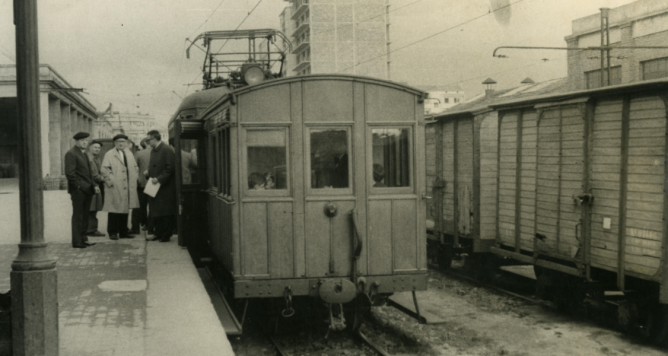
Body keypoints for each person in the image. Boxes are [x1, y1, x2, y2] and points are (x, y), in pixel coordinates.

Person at [101, 134, 140, 240]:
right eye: (118, 142)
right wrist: (112, 181)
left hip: (127, 186)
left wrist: (134, 178)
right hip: (115, 186)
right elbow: (104, 170)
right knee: (114, 209)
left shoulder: (129, 153)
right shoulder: (109, 154)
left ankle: (123, 232)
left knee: (125, 209)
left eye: (123, 141)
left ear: (126, 143)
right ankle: (112, 232)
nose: (121, 143)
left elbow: (135, 167)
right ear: (115, 143)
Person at [64, 132, 98, 248]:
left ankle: (84, 239)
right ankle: (77, 241)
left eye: (86, 140)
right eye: (82, 140)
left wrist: (93, 185)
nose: (85, 142)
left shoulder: (84, 154)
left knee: (85, 215)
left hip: (87, 190)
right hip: (79, 191)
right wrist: (78, 186)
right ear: (76, 142)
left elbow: (89, 173)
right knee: (78, 216)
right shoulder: (71, 153)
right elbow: (70, 174)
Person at [145, 130, 176, 242]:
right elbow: (155, 166)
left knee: (165, 212)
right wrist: (148, 172)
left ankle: (165, 235)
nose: (147, 142)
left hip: (164, 187)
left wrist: (159, 179)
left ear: (154, 138)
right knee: (156, 211)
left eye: (148, 140)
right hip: (155, 186)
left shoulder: (166, 149)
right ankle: (158, 233)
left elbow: (170, 169)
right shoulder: (154, 150)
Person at [131, 139, 153, 236]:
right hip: (154, 183)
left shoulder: (138, 154)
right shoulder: (156, 153)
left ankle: (135, 227)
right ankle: (149, 226)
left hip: (141, 183)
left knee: (138, 206)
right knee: (152, 206)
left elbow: (133, 168)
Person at [86, 140, 106, 237]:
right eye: (95, 147)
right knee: (92, 208)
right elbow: (92, 174)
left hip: (96, 185)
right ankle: (91, 230)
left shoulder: (96, 158)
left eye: (99, 148)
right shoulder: (89, 159)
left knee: (94, 208)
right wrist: (103, 178)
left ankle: (91, 229)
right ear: (90, 147)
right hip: (92, 186)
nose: (97, 149)